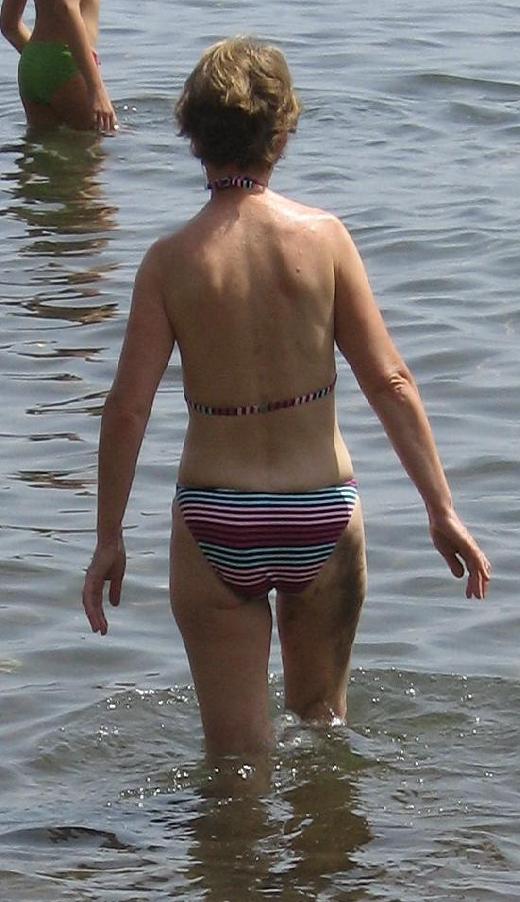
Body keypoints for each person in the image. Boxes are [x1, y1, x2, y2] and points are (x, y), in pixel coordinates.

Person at [81, 36, 491, 762]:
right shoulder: (325, 240)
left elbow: (128, 409)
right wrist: (441, 508)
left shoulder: (169, 262)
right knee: (324, 737)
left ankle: (234, 838)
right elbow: (390, 380)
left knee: (235, 762)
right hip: (320, 508)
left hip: (215, 514)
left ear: (192, 134)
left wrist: (109, 537)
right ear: (283, 130)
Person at [0, 0, 116, 132]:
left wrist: (44, 62)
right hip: (69, 61)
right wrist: (97, 89)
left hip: (32, 61)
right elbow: (66, 6)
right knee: (100, 137)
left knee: (47, 143)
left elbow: (8, 24)